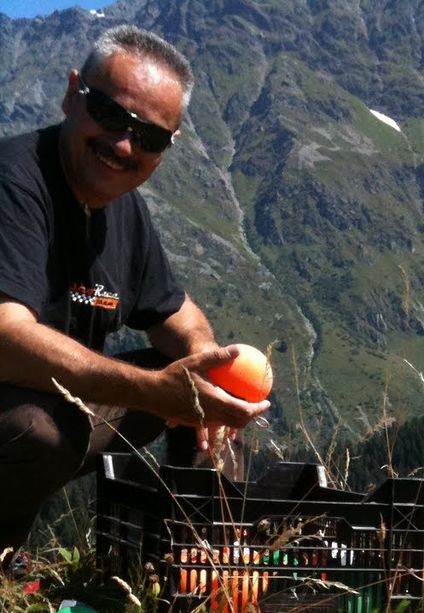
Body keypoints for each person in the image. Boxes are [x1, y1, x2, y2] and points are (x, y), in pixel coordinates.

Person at [0, 24, 270, 562]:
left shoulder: (121, 208)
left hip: (52, 403)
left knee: (208, 386)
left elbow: (176, 312)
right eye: (110, 114)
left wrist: (205, 368)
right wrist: (152, 391)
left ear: (165, 150)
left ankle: (207, 567)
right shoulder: (14, 182)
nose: (123, 144)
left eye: (148, 137)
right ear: (72, 92)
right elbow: (6, 338)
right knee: (36, 431)